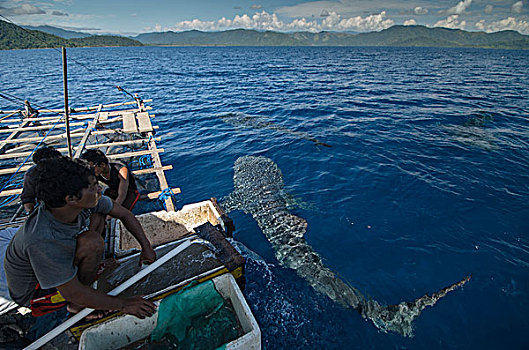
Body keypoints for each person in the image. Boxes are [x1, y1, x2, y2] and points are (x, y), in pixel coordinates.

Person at [3, 157, 157, 319]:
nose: (99, 189)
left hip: (57, 265)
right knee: (92, 243)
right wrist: (124, 304)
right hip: (36, 293)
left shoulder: (81, 203)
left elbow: (124, 213)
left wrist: (146, 247)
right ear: (71, 198)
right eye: (93, 186)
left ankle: (87, 274)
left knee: (98, 217)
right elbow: (72, 292)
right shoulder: (42, 239)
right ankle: (76, 306)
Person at [20, 146, 62, 214]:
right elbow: (28, 197)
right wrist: (30, 212)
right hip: (47, 207)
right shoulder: (32, 174)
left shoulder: (64, 169)